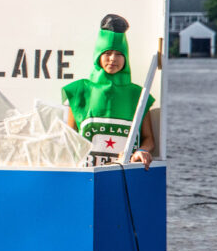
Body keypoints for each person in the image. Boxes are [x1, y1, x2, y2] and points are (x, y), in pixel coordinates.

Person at [61, 13, 156, 167]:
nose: (113, 59)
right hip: (86, 172)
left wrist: (142, 150)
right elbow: (68, 137)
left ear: (126, 57)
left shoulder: (138, 94)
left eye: (119, 54)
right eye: (107, 53)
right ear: (98, 55)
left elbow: (149, 139)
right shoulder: (79, 90)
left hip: (124, 172)